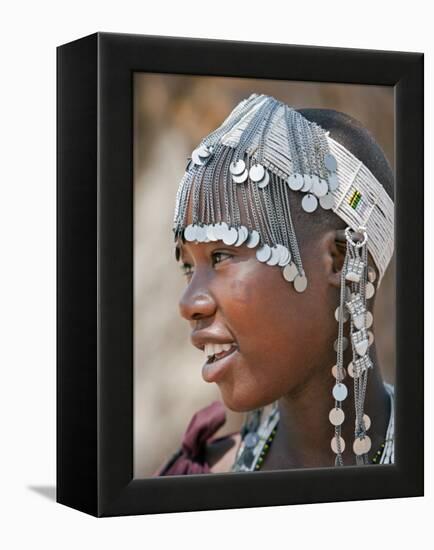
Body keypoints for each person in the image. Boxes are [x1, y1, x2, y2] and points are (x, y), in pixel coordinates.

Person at [153, 93, 395, 476]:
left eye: (221, 255)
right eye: (188, 266)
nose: (189, 303)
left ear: (340, 259)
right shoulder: (197, 479)